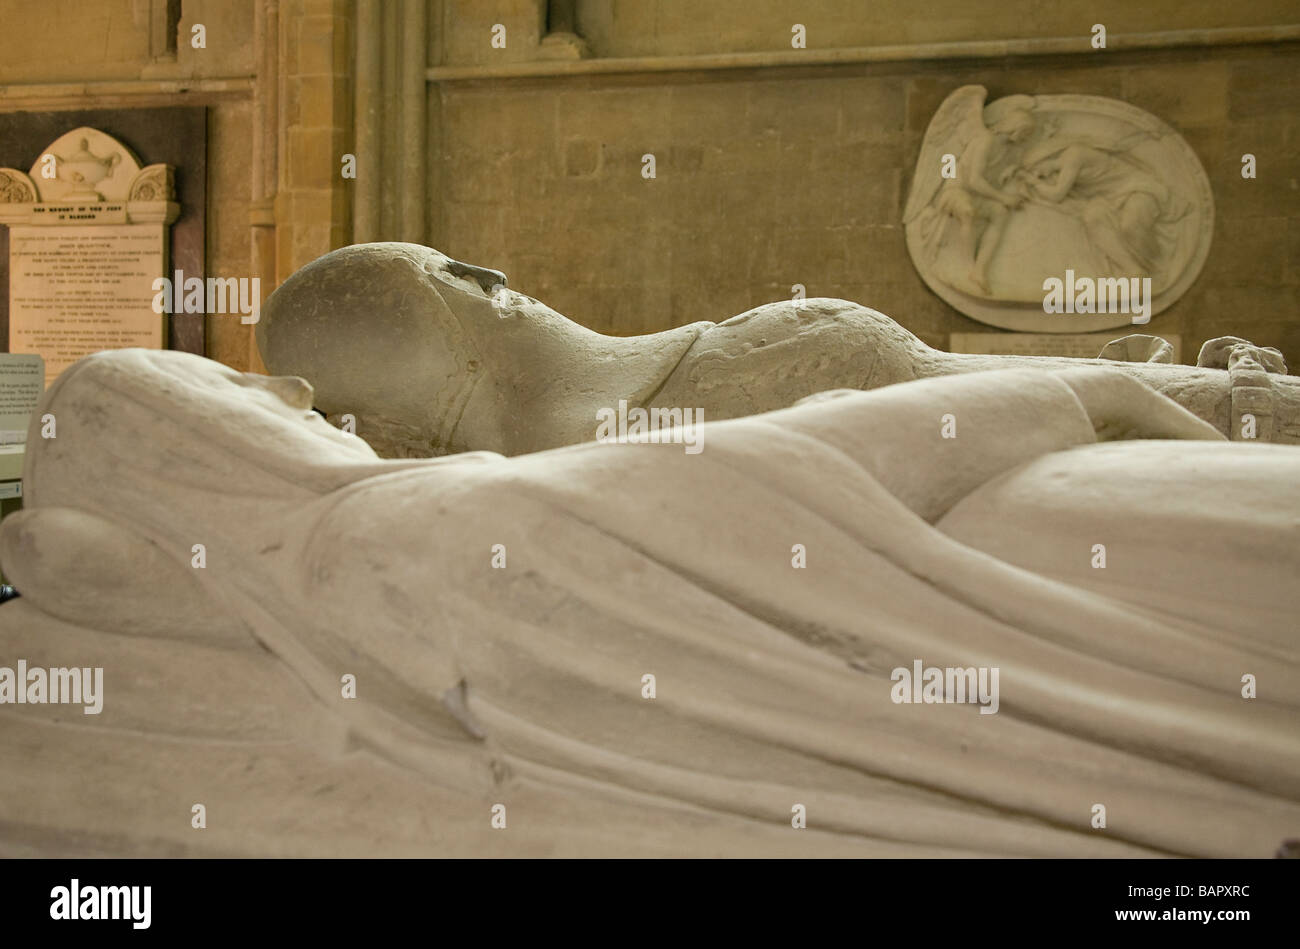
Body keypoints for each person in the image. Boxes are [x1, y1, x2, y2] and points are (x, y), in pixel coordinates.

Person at [2, 347, 1296, 857]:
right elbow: (794, 467)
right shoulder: (419, 526)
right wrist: (1113, 393)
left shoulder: (334, 571)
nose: (284, 397)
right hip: (1037, 561)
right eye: (229, 385)